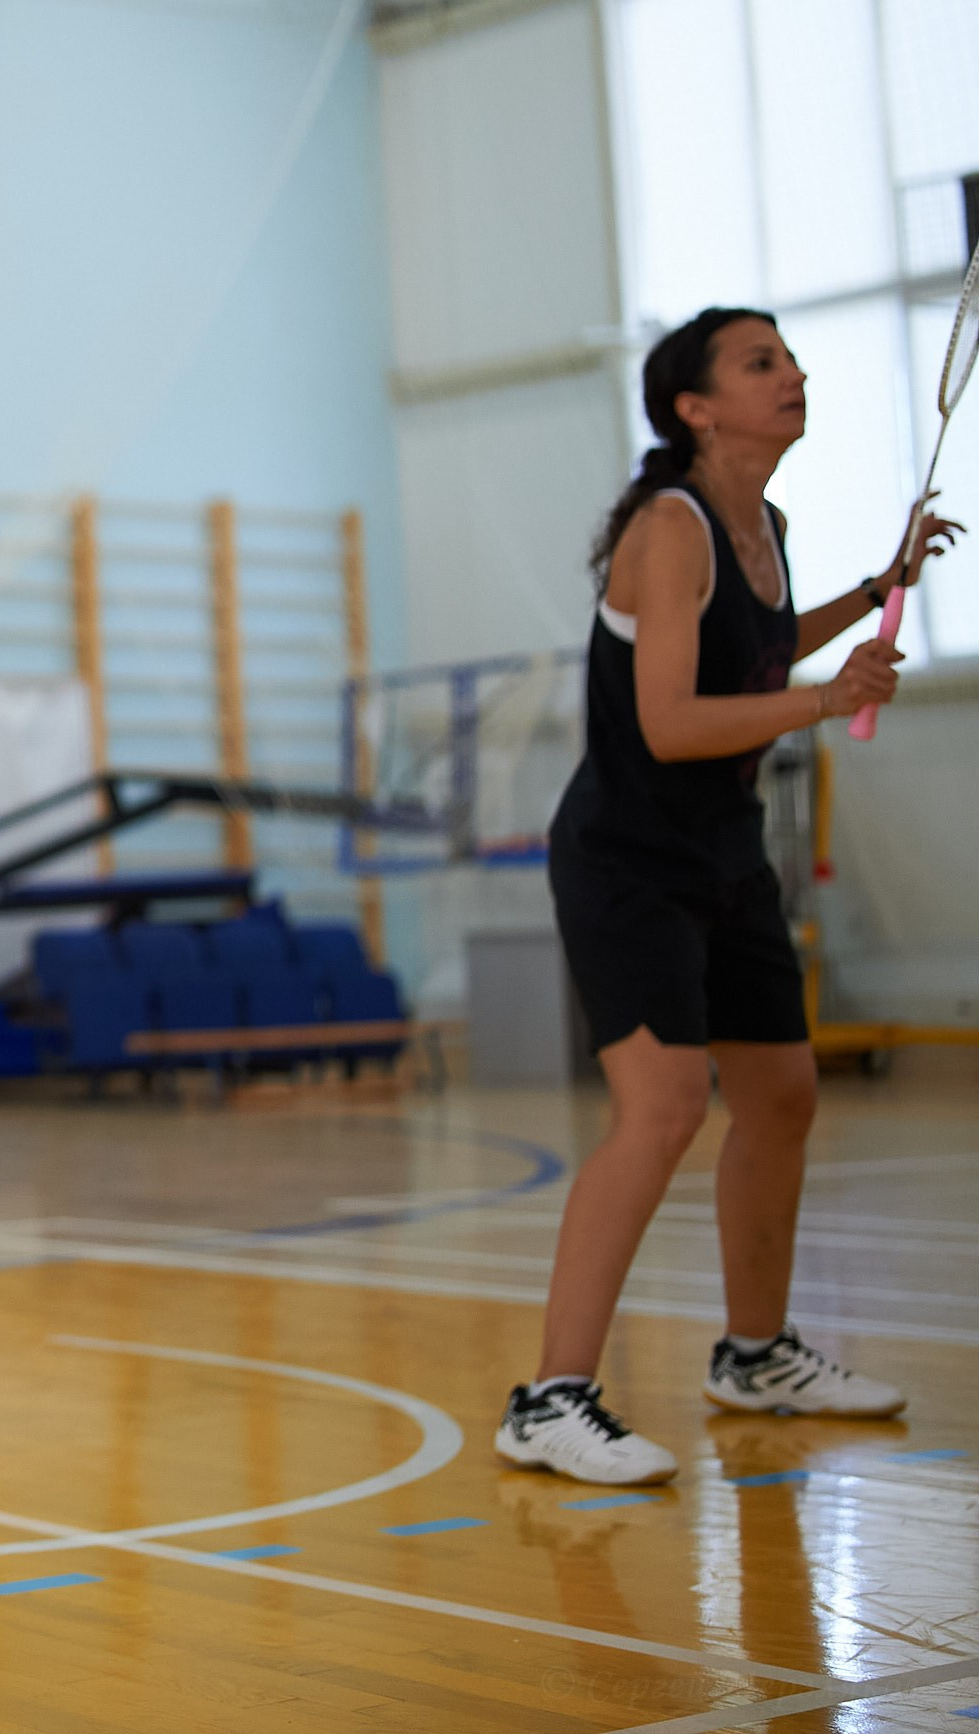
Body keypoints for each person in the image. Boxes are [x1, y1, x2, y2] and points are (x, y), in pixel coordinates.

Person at [494, 306, 960, 1487]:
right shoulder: (669, 530)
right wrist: (826, 698)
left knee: (784, 1096)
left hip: (722, 855)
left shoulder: (767, 522)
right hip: (626, 859)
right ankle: (549, 1400)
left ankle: (754, 1355)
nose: (791, 374)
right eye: (761, 363)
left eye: (790, 358)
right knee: (659, 1111)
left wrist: (871, 592)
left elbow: (748, 648)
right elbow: (669, 721)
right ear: (694, 408)